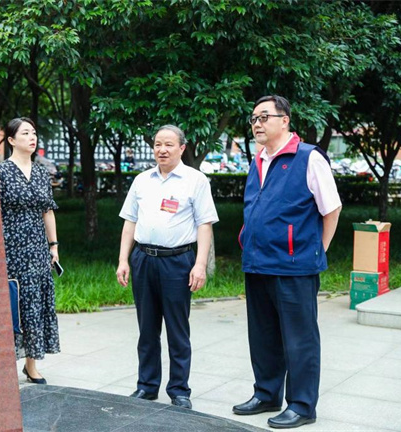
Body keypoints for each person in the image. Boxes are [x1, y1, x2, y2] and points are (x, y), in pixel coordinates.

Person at [234, 95, 342, 429]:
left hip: (295, 266)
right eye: (254, 118)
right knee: (263, 336)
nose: (257, 124)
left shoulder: (308, 157)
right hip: (258, 263)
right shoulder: (258, 160)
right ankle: (267, 393)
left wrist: (316, 251)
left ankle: (302, 405)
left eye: (264, 117)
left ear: (285, 120)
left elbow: (331, 208)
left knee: (299, 339)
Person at [116, 125, 219, 410]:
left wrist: (200, 265)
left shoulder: (195, 180)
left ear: (182, 148)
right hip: (143, 259)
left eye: (169, 145)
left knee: (177, 329)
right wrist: (123, 259)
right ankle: (147, 386)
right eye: (157, 144)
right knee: (147, 328)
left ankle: (179, 390)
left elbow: (204, 225)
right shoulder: (142, 180)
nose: (162, 150)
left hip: (178, 261)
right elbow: (129, 222)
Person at [0, 117, 60, 384]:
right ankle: (3, 364)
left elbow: (48, 211)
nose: (32, 137)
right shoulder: (0, 172)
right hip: (9, 248)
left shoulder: (42, 172)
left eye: (33, 133)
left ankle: (31, 365)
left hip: (36, 249)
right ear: (11, 140)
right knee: (12, 304)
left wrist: (53, 245)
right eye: (25, 133)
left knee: (35, 304)